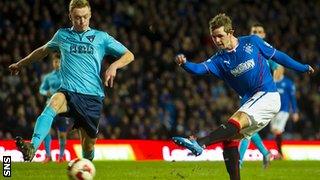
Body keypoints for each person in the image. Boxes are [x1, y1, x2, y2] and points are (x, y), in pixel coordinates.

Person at [172, 13, 314, 180]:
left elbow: (278, 56)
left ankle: (200, 143)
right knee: (229, 139)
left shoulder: (252, 42)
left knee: (237, 118)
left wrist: (303, 67)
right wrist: (185, 64)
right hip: (253, 102)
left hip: (268, 95)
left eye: (220, 36)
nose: (217, 40)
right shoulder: (219, 60)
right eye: (213, 37)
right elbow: (198, 69)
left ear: (231, 32)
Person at [9, 0, 134, 162]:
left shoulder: (101, 38)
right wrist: (20, 64)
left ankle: (87, 166)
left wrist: (114, 66)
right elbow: (42, 51)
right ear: (70, 17)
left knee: (88, 147)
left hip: (92, 98)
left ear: (90, 16)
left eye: (84, 17)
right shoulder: (62, 35)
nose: (81, 21)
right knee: (51, 105)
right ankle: (32, 147)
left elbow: (129, 55)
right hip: (68, 92)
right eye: (77, 17)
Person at [238, 23, 273, 169]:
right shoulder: (245, 47)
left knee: (245, 128)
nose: (257, 33)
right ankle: (265, 153)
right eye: (254, 31)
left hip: (260, 93)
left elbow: (278, 67)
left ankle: (238, 161)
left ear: (264, 35)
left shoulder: (266, 48)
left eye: (260, 31)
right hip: (246, 93)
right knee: (248, 128)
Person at [39, 53, 70, 163]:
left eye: (59, 61)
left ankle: (61, 157)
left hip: (62, 109)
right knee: (46, 131)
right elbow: (41, 89)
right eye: (55, 61)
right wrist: (45, 92)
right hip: (50, 107)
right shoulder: (48, 77)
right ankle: (48, 156)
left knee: (62, 135)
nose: (57, 63)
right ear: (53, 63)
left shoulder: (67, 75)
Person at [271, 65, 299, 159]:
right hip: (273, 110)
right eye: (276, 70)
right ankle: (279, 153)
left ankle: (280, 153)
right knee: (275, 131)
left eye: (279, 70)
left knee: (278, 130)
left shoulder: (288, 83)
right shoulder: (271, 82)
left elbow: (293, 98)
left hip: (284, 110)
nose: (277, 71)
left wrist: (295, 112)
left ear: (282, 71)